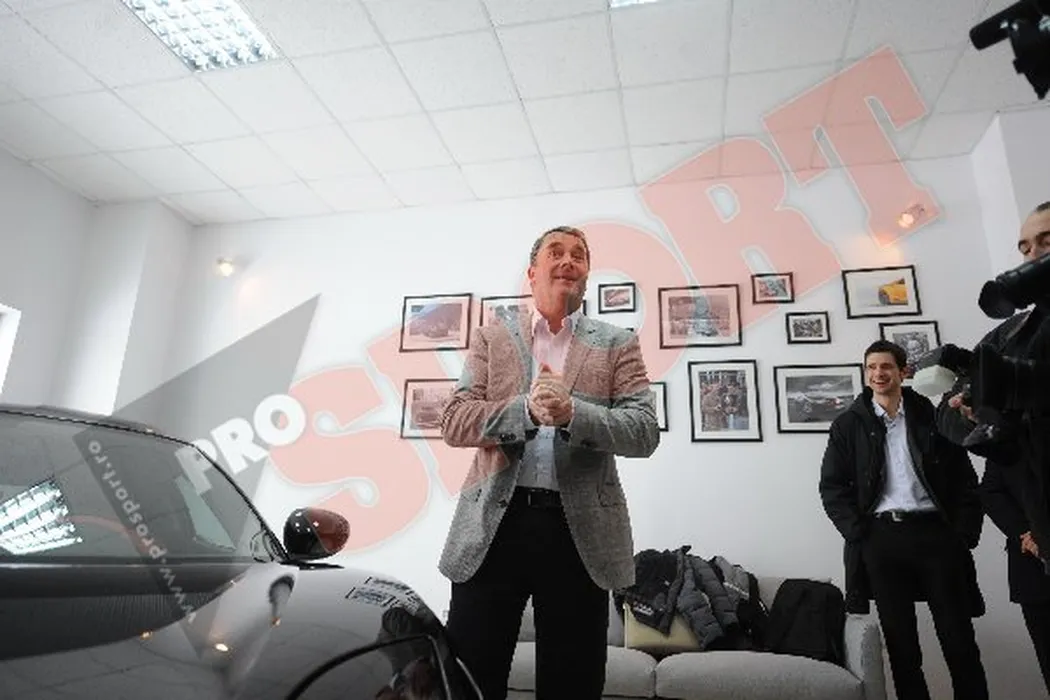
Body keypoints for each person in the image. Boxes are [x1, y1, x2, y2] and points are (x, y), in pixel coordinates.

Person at [438, 225, 660, 700]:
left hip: (579, 536)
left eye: (579, 255)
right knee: (470, 680)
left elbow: (644, 431)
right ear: (532, 272)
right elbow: (455, 421)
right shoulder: (492, 338)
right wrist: (524, 410)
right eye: (555, 252)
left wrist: (573, 413)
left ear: (586, 275)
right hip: (493, 528)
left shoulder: (618, 342)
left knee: (573, 684)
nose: (568, 261)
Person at [819, 340, 988, 700]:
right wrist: (858, 532)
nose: (878, 373)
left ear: (902, 372)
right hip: (882, 541)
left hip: (936, 536)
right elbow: (832, 487)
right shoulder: (848, 424)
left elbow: (964, 479)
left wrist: (963, 534)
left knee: (959, 638)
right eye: (871, 367)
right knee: (902, 648)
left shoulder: (932, 415)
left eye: (886, 366)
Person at [937, 201, 1050, 694]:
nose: (1032, 257)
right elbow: (969, 428)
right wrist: (980, 415)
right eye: (1025, 248)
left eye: (1046, 242)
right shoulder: (1012, 334)